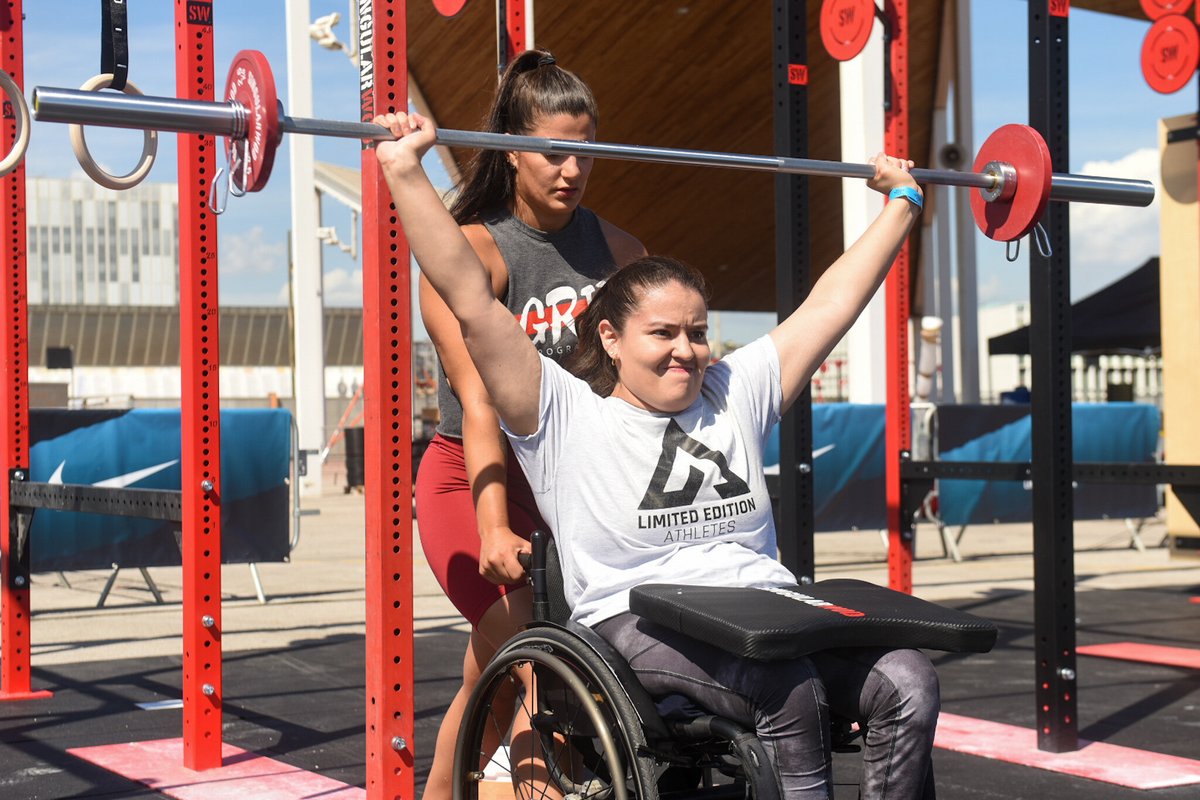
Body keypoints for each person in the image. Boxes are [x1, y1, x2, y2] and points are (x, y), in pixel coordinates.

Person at [380, 109, 938, 798]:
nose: (686, 350)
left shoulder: (733, 390)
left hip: (764, 615)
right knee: (787, 689)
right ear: (610, 339)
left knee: (908, 679)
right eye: (663, 333)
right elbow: (470, 300)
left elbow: (831, 307)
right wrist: (404, 170)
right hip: (637, 623)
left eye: (698, 332)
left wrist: (901, 203)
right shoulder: (564, 415)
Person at [412, 49, 645, 800]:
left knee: (497, 674)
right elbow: (480, 400)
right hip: (471, 480)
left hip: (564, 484)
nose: (572, 170)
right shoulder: (471, 253)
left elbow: (633, 396)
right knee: (541, 661)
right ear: (512, 151)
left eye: (585, 152)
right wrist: (492, 526)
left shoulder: (622, 253)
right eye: (552, 152)